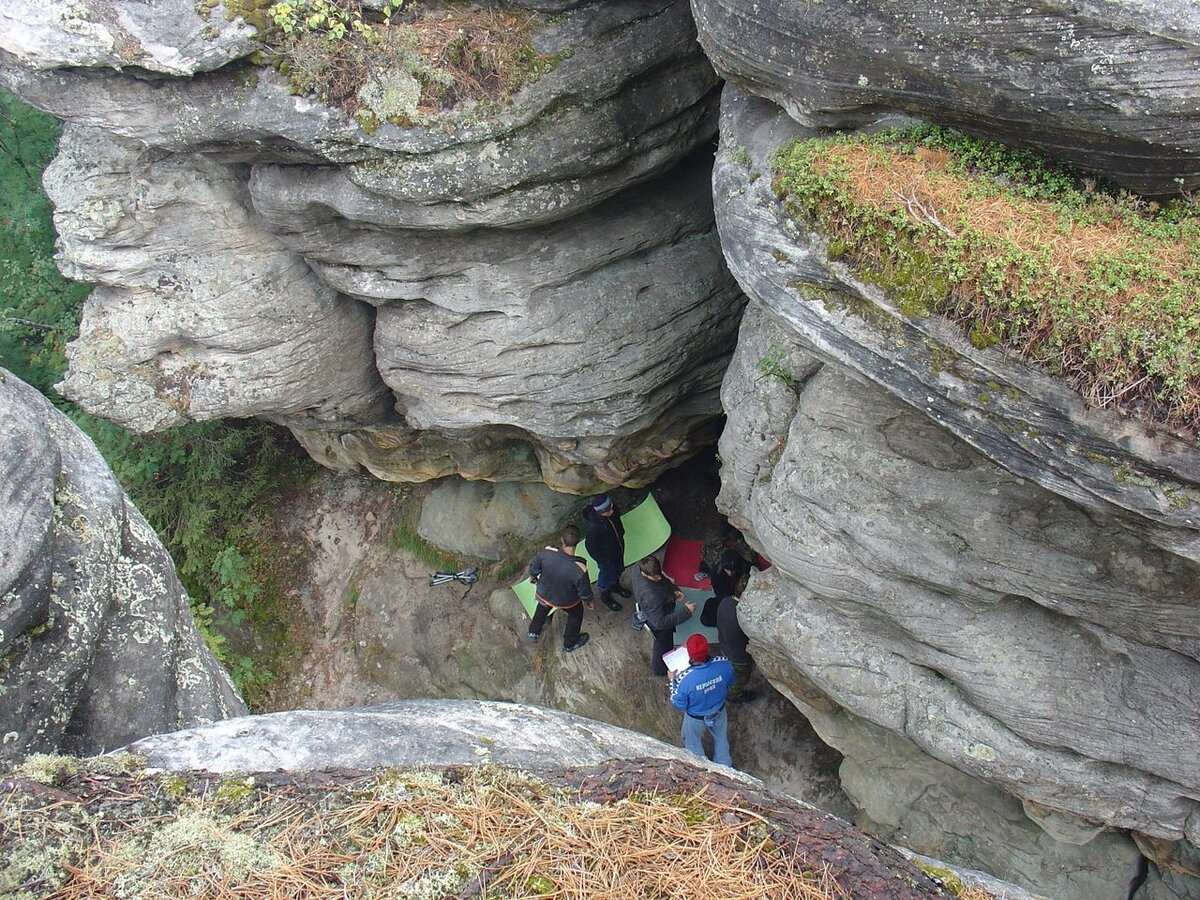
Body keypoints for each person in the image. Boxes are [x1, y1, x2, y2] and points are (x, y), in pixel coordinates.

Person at [670, 634, 735, 766]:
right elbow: (730, 682)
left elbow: (678, 704)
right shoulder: (725, 664)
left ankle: (700, 769)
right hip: (719, 710)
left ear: (690, 656)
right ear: (708, 649)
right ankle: (725, 768)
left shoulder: (684, 679)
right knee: (721, 738)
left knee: (692, 743)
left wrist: (672, 680)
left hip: (696, 718)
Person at [526, 525, 593, 652]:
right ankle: (569, 643)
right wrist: (589, 601)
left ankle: (533, 632)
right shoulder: (580, 568)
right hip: (566, 600)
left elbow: (534, 568)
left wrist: (533, 577)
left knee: (542, 608)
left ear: (562, 539)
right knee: (576, 615)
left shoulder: (547, 552)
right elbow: (584, 591)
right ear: (578, 542)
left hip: (544, 592)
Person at [632, 555, 695, 676]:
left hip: (654, 606)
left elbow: (661, 581)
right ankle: (660, 669)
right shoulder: (651, 596)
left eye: (659, 573)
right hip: (657, 620)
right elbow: (660, 623)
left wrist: (673, 590)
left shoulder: (637, 567)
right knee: (663, 646)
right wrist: (686, 612)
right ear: (645, 574)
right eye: (655, 576)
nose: (659, 577)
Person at [581, 494, 628, 611]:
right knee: (607, 576)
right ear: (600, 512)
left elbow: (617, 523)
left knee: (618, 570)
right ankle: (605, 597)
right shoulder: (594, 527)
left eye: (611, 507)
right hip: (605, 557)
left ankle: (616, 587)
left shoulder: (612, 510)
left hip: (617, 548)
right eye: (608, 510)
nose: (612, 511)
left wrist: (621, 533)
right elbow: (590, 546)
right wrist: (602, 559)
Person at [715, 590, 759, 703]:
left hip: (724, 646)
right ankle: (733, 695)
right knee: (740, 679)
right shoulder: (742, 617)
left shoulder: (726, 601)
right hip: (739, 657)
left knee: (730, 671)